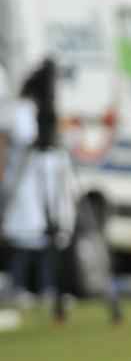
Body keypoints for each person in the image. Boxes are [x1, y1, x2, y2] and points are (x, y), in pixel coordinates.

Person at [2, 59, 76, 318]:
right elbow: (23, 136)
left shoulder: (49, 109)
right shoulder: (24, 108)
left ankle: (50, 287)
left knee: (52, 232)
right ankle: (19, 285)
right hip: (29, 173)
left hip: (50, 168)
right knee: (27, 231)